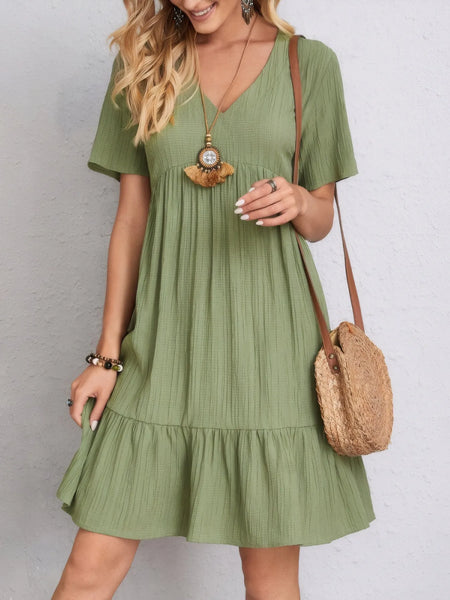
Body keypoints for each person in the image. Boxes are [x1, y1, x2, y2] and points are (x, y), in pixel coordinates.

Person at [52, 1, 376, 598]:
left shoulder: (308, 64)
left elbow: (322, 217)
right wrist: (106, 357)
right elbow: (131, 220)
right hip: (164, 346)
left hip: (271, 352)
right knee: (88, 571)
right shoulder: (144, 65)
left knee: (269, 582)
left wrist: (299, 201)